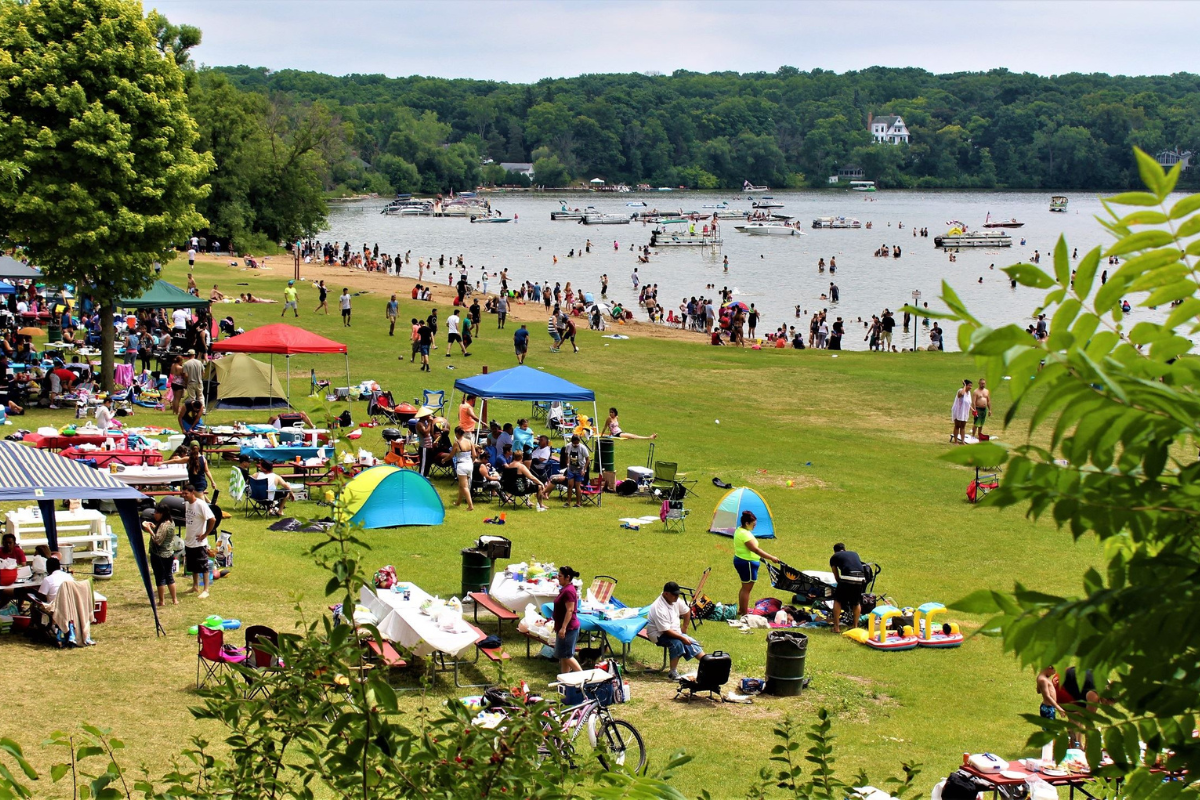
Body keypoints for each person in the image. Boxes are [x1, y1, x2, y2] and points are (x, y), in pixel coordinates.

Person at [645, 581, 705, 680]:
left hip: (674, 631)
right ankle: (672, 672)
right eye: (674, 595)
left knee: (692, 642)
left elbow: (687, 611)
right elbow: (666, 631)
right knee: (677, 643)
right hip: (658, 634)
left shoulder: (675, 600)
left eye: (677, 594)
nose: (677, 597)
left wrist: (684, 628)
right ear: (666, 594)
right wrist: (682, 637)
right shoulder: (658, 608)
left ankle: (708, 663)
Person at [733, 510, 780, 615]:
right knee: (747, 589)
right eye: (753, 525)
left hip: (743, 561)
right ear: (747, 523)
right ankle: (744, 613)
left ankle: (742, 610)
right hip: (747, 563)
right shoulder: (745, 535)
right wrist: (771, 557)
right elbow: (756, 550)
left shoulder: (739, 530)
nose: (754, 526)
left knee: (744, 587)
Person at [182, 484, 215, 598]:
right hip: (189, 541)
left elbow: (212, 519)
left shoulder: (201, 504)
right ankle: (195, 586)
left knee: (203, 566)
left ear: (192, 493)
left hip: (199, 543)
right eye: (183, 493)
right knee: (192, 565)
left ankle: (206, 589)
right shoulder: (187, 504)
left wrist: (205, 534)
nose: (184, 495)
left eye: (186, 493)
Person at [143, 504, 178, 606]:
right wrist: (154, 527)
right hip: (169, 553)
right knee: (169, 576)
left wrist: (148, 529)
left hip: (159, 555)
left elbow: (158, 540)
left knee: (160, 578)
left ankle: (161, 601)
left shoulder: (163, 525)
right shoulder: (171, 522)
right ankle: (174, 599)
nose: (154, 515)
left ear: (162, 514)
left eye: (156, 513)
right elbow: (162, 534)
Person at [829, 543, 867, 634]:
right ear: (844, 549)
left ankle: (836, 627)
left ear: (835, 551)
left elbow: (836, 575)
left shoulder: (834, 557)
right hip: (861, 578)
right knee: (856, 602)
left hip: (848, 576)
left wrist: (840, 586)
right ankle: (855, 626)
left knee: (838, 600)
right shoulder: (854, 553)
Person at [552, 565, 583, 673]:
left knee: (567, 655)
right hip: (563, 626)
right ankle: (565, 681)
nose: (557, 577)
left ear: (567, 577)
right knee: (563, 655)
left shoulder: (569, 591)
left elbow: (570, 610)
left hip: (569, 628)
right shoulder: (565, 589)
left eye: (560, 576)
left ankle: (583, 677)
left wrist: (563, 628)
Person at [451, 426, 479, 510]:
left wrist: (444, 459)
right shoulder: (470, 442)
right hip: (469, 465)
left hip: (462, 466)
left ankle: (470, 505)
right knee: (461, 485)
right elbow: (474, 455)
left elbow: (451, 455)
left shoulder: (457, 443)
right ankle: (458, 502)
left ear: (456, 433)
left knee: (465, 486)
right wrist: (473, 460)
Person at [562, 434, 590, 508]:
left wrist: (584, 470)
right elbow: (566, 454)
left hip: (580, 468)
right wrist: (567, 463)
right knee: (570, 485)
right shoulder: (568, 446)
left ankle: (578, 503)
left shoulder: (582, 448)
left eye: (577, 444)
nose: (575, 445)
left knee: (577, 486)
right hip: (571, 468)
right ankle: (568, 502)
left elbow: (588, 460)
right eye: (574, 444)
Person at [414, 407, 435, 477]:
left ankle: (426, 476)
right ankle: (421, 477)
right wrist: (429, 423)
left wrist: (431, 423)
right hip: (424, 447)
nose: (429, 416)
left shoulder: (425, 423)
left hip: (429, 446)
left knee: (428, 463)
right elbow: (425, 432)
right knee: (424, 464)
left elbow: (431, 432)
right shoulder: (419, 424)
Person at [951, 379, 973, 444]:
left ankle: (963, 441)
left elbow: (968, 403)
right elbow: (961, 394)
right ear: (965, 385)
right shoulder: (961, 391)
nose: (970, 387)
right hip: (958, 411)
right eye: (969, 385)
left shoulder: (969, 393)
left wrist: (972, 409)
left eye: (971, 386)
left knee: (963, 427)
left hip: (965, 412)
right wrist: (964, 386)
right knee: (957, 426)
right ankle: (955, 441)